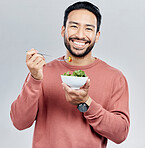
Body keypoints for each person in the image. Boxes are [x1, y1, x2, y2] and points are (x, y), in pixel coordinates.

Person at [10, 1, 130, 148]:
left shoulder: (115, 77)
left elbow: (120, 134)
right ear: (63, 31)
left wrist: (87, 103)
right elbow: (19, 122)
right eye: (74, 26)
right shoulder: (42, 71)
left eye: (88, 29)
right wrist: (34, 79)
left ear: (97, 36)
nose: (80, 35)